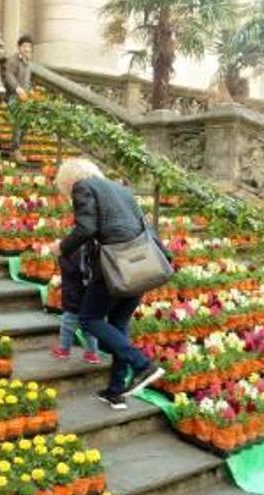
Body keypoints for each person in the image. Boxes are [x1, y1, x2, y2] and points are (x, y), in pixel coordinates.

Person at [49, 158, 168, 410]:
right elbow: (144, 226)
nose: (70, 196)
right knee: (119, 325)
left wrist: (61, 248)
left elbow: (85, 228)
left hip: (114, 267)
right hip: (139, 265)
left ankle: (143, 365)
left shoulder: (84, 187)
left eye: (67, 190)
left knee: (89, 319)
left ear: (70, 181)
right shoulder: (121, 189)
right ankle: (116, 391)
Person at [51, 245, 101, 365]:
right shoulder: (91, 253)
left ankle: (64, 349)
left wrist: (60, 255)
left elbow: (68, 269)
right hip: (90, 299)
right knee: (89, 327)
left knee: (67, 324)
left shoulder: (74, 256)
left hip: (74, 300)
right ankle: (92, 353)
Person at [4, 34, 33, 164]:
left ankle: (15, 149)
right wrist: (17, 88)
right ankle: (16, 150)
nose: (27, 49)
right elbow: (9, 75)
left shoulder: (28, 63)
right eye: (24, 46)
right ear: (19, 47)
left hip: (25, 98)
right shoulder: (12, 60)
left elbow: (28, 81)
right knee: (18, 121)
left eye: (29, 47)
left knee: (26, 124)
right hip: (13, 96)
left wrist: (29, 91)